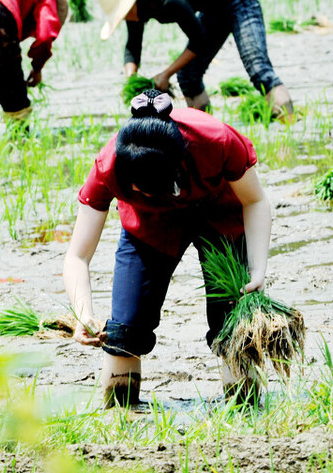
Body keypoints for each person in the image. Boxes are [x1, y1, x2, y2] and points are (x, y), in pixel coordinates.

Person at [62, 90, 272, 407]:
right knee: (125, 331)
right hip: (150, 227)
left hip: (218, 215)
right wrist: (83, 312)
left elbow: (254, 200)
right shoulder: (108, 167)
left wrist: (257, 267)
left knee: (233, 324)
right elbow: (78, 255)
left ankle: (245, 409)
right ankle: (122, 415)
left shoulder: (215, 142)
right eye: (142, 189)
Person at [94, 0, 294, 120]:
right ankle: (205, 131)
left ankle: (289, 125)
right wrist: (132, 81)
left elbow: (199, 41)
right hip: (214, 11)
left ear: (131, 4)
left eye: (124, 14)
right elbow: (132, 47)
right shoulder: (138, 9)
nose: (126, 19)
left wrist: (165, 74)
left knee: (258, 68)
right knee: (188, 76)